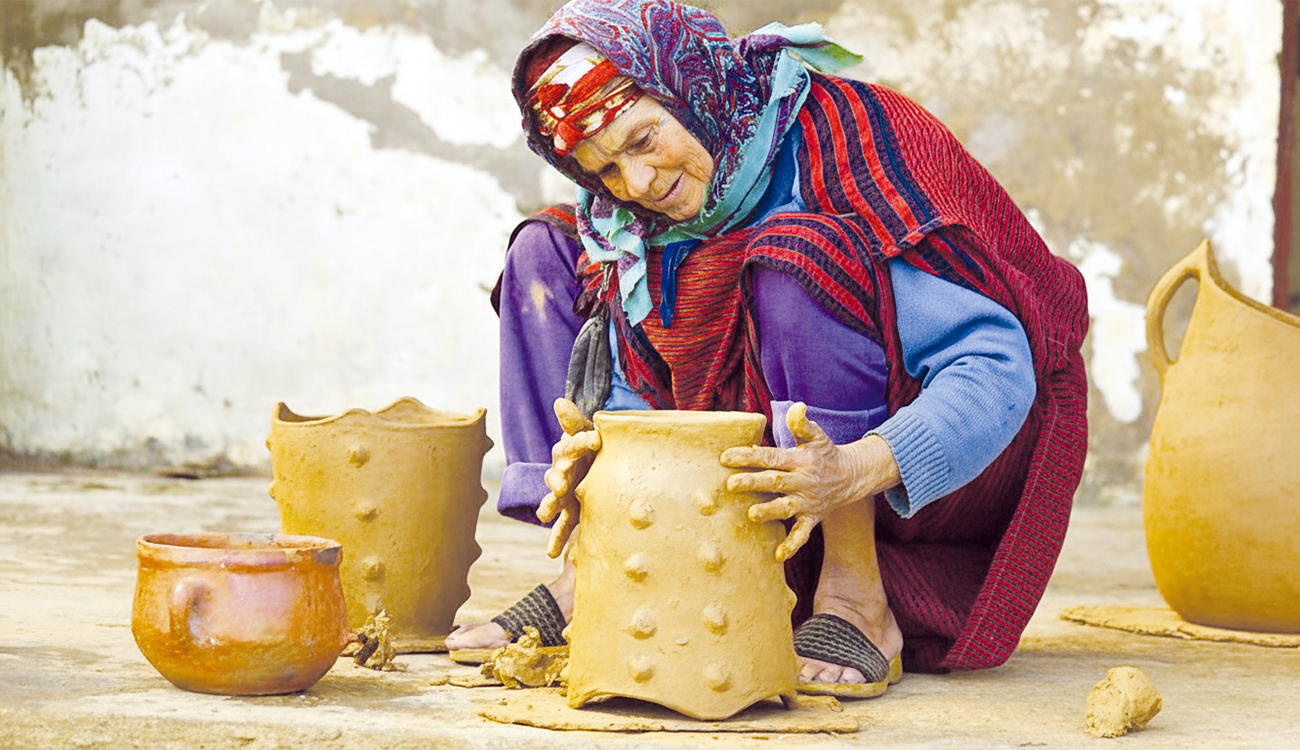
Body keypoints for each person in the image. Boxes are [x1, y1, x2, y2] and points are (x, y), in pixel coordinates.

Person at [447, 0, 1088, 693]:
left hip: (900, 480)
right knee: (543, 252)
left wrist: (852, 468)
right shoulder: (627, 221)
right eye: (603, 169)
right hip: (751, 485)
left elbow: (996, 366)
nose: (636, 185)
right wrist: (607, 464)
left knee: (797, 253)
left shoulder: (841, 142)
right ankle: (593, 576)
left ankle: (854, 598)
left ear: (687, 93)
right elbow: (641, 375)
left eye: (641, 140)